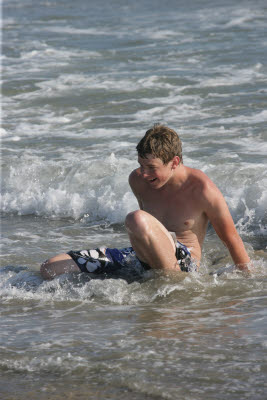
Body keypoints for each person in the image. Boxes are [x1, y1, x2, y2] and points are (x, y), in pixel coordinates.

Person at [40, 124, 250, 280]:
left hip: (183, 262)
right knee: (50, 268)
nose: (144, 173)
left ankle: (172, 283)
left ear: (174, 162)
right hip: (140, 257)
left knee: (136, 218)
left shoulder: (202, 189)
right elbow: (147, 234)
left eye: (151, 167)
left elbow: (230, 238)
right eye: (141, 165)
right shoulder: (138, 180)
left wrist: (247, 277)